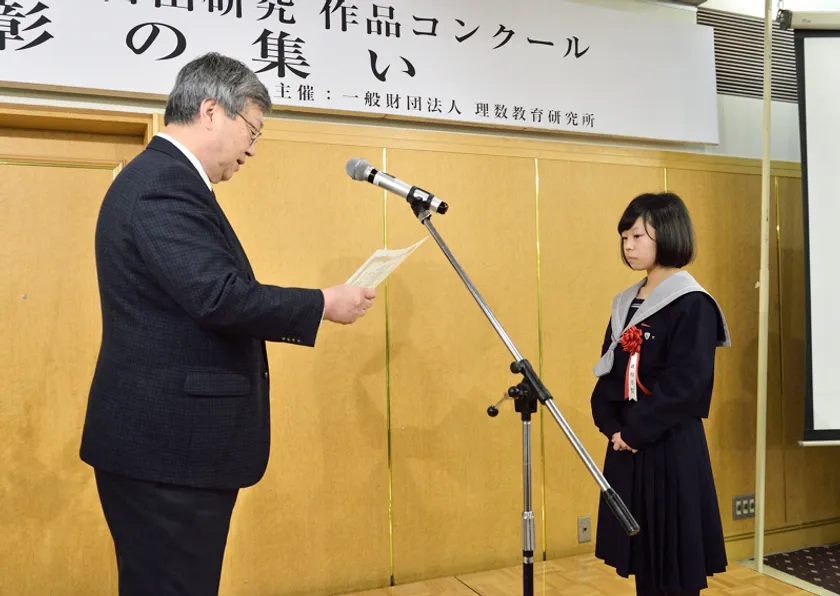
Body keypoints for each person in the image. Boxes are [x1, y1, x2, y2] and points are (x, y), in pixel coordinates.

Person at [79, 52, 376, 596]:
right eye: (252, 131)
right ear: (212, 111)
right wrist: (321, 303)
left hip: (167, 449)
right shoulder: (162, 184)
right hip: (167, 451)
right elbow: (215, 296)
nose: (252, 150)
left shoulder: (167, 180)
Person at [590, 192, 731, 596]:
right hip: (626, 447)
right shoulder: (626, 302)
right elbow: (610, 370)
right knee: (643, 560)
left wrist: (635, 432)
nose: (628, 246)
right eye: (624, 238)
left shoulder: (692, 303)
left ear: (667, 234)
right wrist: (612, 427)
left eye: (637, 236)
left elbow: (687, 384)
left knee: (672, 568)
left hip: (669, 447)